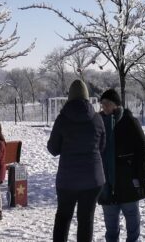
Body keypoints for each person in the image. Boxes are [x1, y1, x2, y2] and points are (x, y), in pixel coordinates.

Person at [47, 80, 105, 242]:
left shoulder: (62, 119)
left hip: (68, 179)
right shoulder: (97, 119)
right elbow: (102, 147)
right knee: (86, 219)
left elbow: (53, 149)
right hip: (93, 179)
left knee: (63, 217)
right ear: (87, 97)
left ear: (69, 97)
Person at [97, 89, 145, 242]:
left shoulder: (129, 122)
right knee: (111, 229)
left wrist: (142, 178)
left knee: (132, 225)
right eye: (102, 103)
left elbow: (143, 151)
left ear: (116, 104)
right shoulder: (98, 122)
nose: (104, 106)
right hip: (106, 184)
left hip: (128, 183)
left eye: (107, 103)